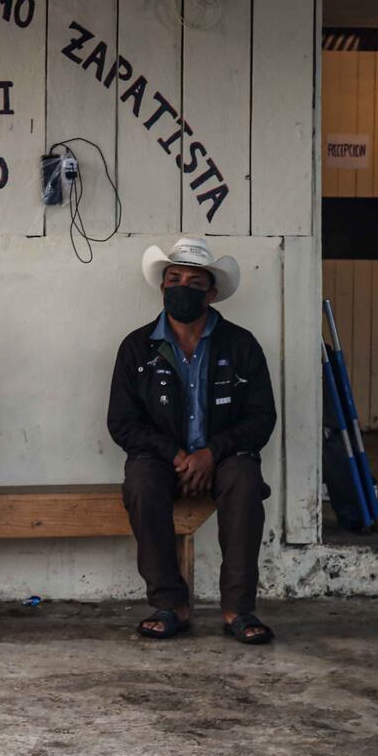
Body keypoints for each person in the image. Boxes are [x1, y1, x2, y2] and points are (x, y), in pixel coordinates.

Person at [107, 237, 278, 644]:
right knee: (142, 484)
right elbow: (122, 422)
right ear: (163, 286)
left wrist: (210, 453)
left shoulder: (241, 345)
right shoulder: (137, 347)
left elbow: (261, 417)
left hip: (223, 455)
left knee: (246, 482)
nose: (182, 287)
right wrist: (178, 455)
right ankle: (170, 604)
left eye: (194, 282)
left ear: (212, 292)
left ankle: (239, 607)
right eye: (174, 278)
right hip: (162, 457)